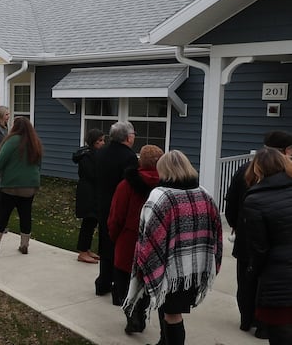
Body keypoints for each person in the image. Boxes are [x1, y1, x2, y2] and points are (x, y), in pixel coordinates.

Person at [123, 150, 222, 345]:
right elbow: (216, 231)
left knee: (172, 315)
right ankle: (163, 341)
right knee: (170, 310)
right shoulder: (204, 193)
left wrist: (145, 262)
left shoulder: (161, 196)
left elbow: (149, 235)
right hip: (194, 269)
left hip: (170, 268)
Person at [225, 130, 292, 338]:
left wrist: (235, 225)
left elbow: (231, 202)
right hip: (275, 242)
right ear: (283, 151)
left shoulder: (244, 170)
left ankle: (247, 320)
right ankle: (263, 325)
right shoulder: (288, 175)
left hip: (246, 238)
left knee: (246, 280)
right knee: (265, 282)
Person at [108, 144, 163, 333]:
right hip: (155, 244)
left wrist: (114, 237)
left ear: (140, 161)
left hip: (129, 241)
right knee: (147, 281)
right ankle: (140, 314)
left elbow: (116, 216)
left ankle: (132, 316)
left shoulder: (126, 185)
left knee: (125, 282)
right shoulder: (167, 187)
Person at [242, 148, 292, 345]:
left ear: (258, 170)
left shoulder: (255, 200)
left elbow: (258, 248)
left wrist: (252, 272)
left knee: (281, 335)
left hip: (278, 280)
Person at [0, 116, 42, 254]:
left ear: (15, 127)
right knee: (25, 214)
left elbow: (0, 161)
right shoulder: (35, 142)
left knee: (4, 213)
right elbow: (39, 164)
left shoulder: (12, 140)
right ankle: (24, 245)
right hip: (30, 186)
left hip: (11, 185)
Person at [94, 121, 138, 302]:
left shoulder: (101, 152)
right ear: (128, 137)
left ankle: (103, 282)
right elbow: (130, 186)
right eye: (134, 134)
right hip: (120, 207)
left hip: (102, 203)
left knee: (105, 242)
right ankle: (118, 289)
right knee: (120, 247)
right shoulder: (129, 158)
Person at [72, 128, 105, 264]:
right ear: (93, 142)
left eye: (103, 140)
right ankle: (82, 252)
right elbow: (93, 175)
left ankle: (87, 248)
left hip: (93, 191)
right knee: (89, 221)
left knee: (92, 222)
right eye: (100, 141)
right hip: (88, 193)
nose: (103, 143)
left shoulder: (93, 154)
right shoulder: (87, 156)